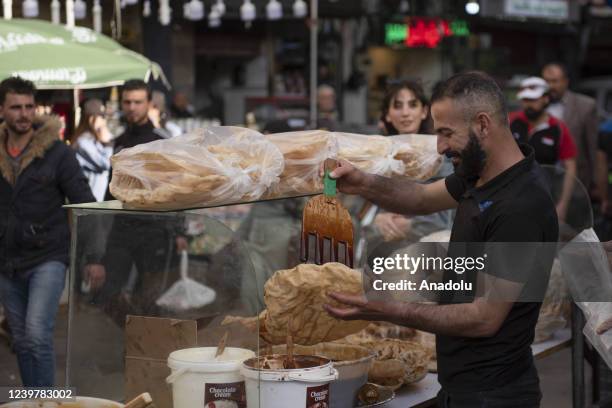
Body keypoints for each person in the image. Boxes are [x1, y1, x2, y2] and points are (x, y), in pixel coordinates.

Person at [324, 71, 558, 407]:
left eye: (447, 133)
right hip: (460, 388)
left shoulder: (521, 204)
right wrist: (362, 182)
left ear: (482, 124)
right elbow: (419, 199)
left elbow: (483, 317)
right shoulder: (478, 176)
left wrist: (386, 309)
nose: (440, 147)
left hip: (494, 396)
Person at [0, 77, 97, 386]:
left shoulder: (58, 152)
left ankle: (49, 403)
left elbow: (85, 203)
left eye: (29, 106)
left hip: (48, 256)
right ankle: (33, 401)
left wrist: (93, 257)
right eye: (16, 107)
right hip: (6, 259)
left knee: (37, 334)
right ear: (2, 109)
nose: (24, 113)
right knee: (21, 339)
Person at [86, 80, 186, 320]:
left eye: (137, 102)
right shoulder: (119, 141)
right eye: (127, 102)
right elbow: (112, 191)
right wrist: (97, 249)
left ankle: (144, 350)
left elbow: (175, 188)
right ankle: (134, 340)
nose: (132, 107)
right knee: (107, 295)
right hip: (122, 230)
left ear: (149, 104)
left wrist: (180, 230)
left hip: (155, 230)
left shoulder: (162, 141)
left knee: (152, 300)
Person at [373, 81, 453, 245]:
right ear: (387, 114)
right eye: (397, 106)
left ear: (424, 111)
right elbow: (362, 208)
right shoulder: (376, 153)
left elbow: (447, 214)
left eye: (412, 105)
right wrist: (378, 219)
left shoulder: (440, 152)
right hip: (384, 252)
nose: (405, 113)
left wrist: (411, 225)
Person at [509, 76, 577, 221]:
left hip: (545, 199)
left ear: (546, 99)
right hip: (510, 197)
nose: (528, 104)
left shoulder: (558, 128)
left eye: (533, 99)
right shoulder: (510, 122)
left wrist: (563, 205)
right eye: (525, 100)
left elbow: (570, 166)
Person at [542, 62, 599, 192]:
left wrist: (596, 183)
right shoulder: (536, 106)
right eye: (546, 81)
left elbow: (593, 147)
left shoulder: (585, 106)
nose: (550, 86)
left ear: (566, 81)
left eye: (555, 81)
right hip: (542, 182)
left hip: (576, 180)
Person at [71, 99, 114, 202]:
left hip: (99, 200)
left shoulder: (95, 139)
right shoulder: (83, 142)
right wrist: (108, 144)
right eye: (102, 116)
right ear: (91, 119)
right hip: (90, 201)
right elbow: (106, 164)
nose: (105, 120)